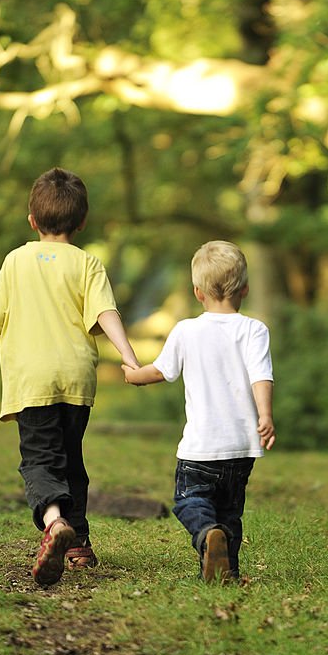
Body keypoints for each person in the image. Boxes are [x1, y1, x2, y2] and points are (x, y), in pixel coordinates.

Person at [0, 167, 140, 586]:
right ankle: (78, 546)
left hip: (32, 381)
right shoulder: (88, 263)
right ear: (82, 222)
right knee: (71, 458)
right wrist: (129, 358)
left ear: (32, 221)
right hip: (77, 380)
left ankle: (56, 524)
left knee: (40, 460)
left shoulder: (15, 261)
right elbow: (105, 314)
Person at [122, 240, 275, 583]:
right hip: (241, 447)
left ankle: (206, 534)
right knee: (231, 511)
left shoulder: (186, 330)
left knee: (190, 500)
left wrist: (133, 375)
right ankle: (227, 572)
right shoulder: (254, 330)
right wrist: (264, 416)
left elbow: (161, 371)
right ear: (245, 289)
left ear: (197, 292)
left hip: (201, 447)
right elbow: (261, 376)